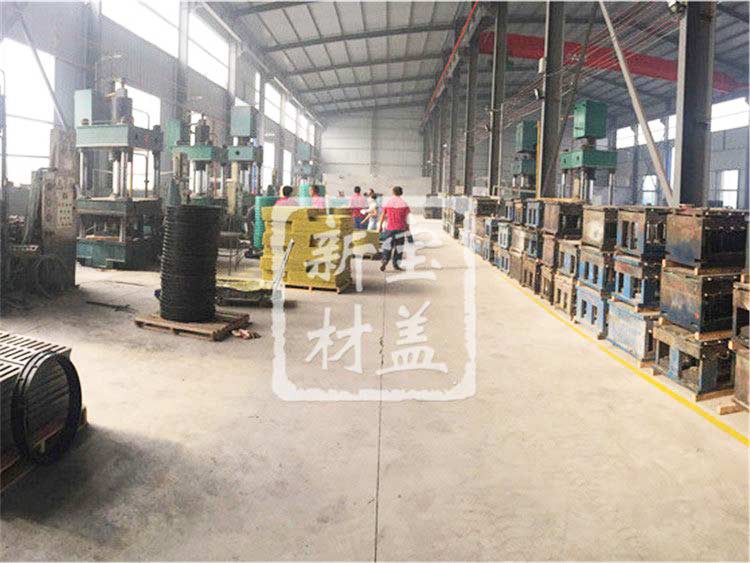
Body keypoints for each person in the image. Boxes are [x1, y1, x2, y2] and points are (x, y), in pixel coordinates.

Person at [378, 186, 411, 272]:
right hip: (400, 228)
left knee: (387, 246)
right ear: (401, 193)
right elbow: (407, 218)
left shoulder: (388, 202)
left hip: (390, 228)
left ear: (393, 192)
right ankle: (396, 265)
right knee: (399, 247)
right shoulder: (404, 204)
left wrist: (380, 226)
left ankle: (384, 261)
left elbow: (382, 215)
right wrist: (408, 229)